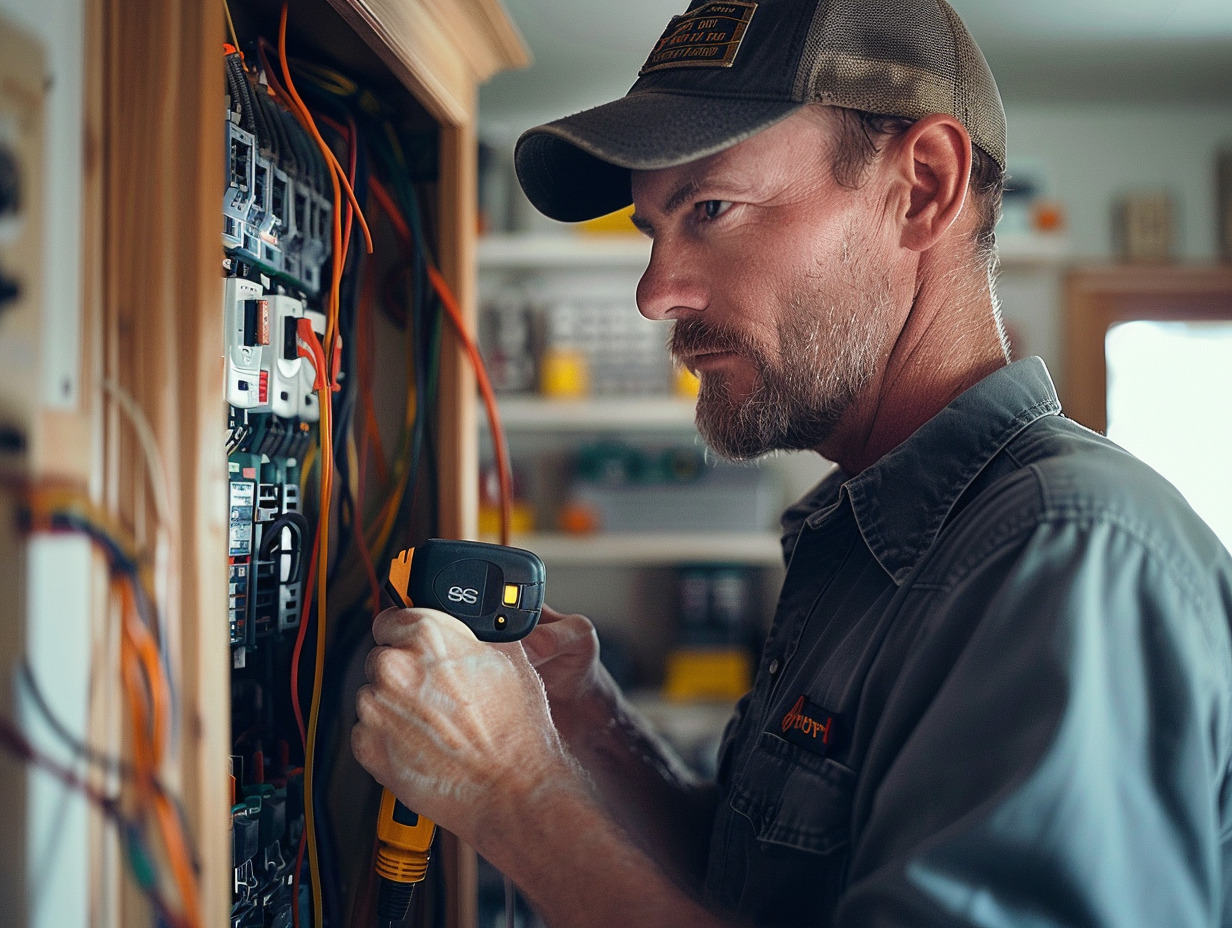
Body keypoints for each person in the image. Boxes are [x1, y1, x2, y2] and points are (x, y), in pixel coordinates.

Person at [352, 0, 1232, 924]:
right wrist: (592, 732)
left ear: (923, 187)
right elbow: (764, 894)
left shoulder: (1065, 558)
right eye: (655, 229)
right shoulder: (868, 537)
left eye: (712, 208)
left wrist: (515, 798)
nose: (655, 293)